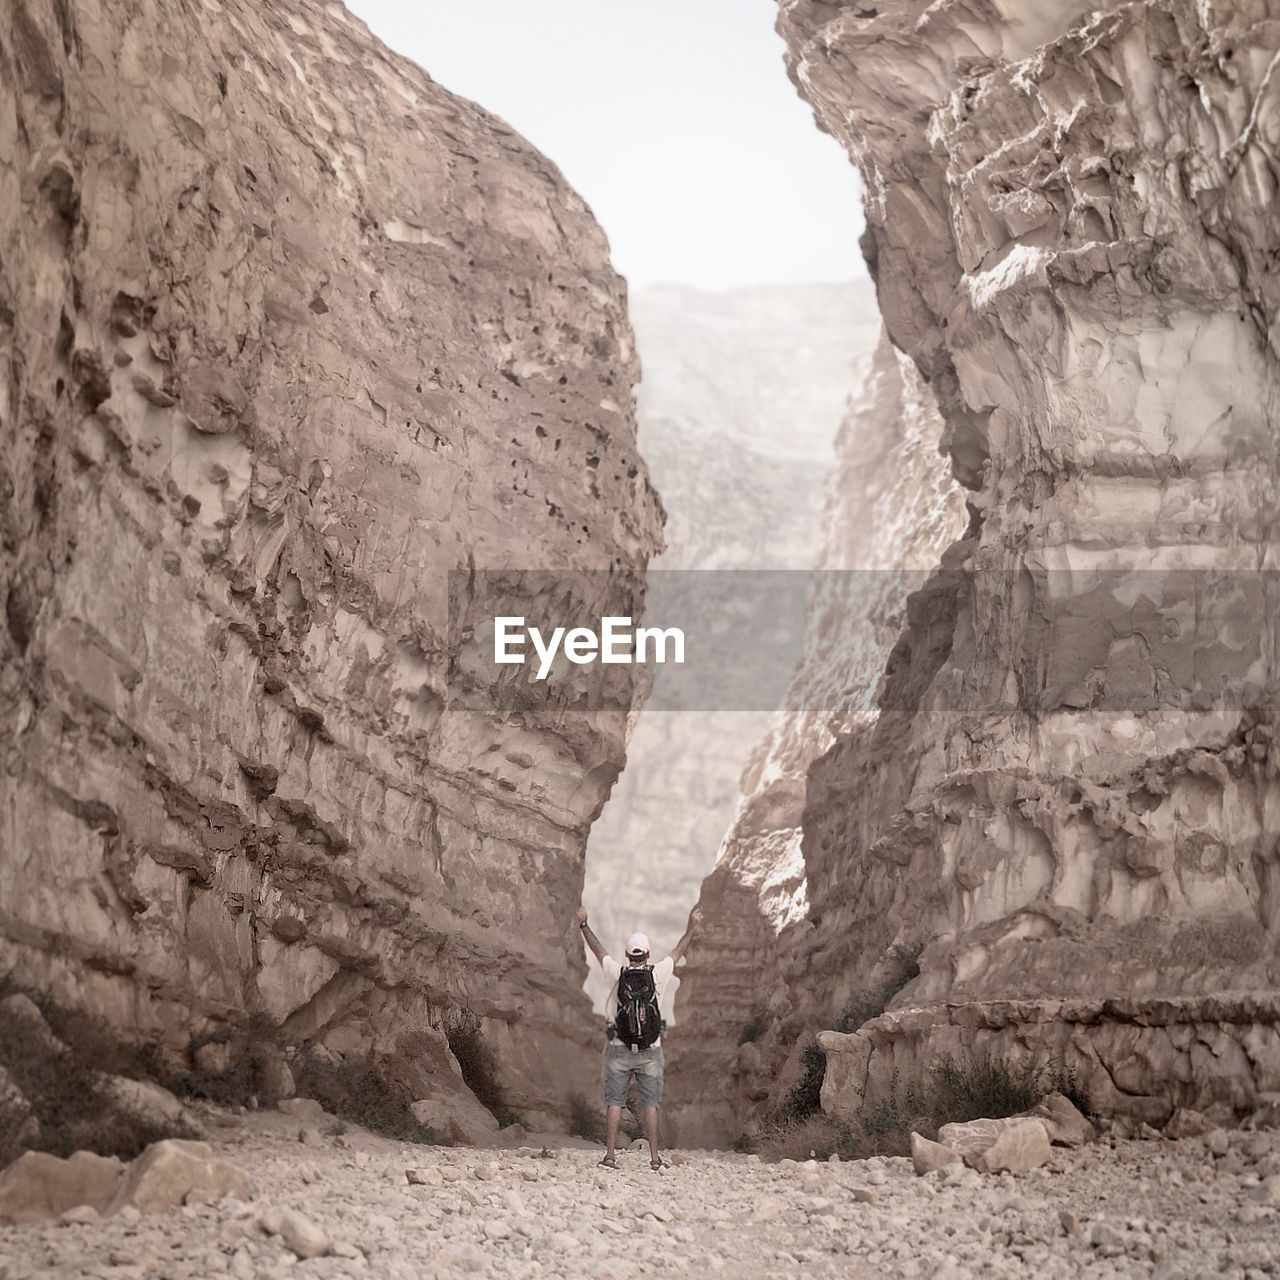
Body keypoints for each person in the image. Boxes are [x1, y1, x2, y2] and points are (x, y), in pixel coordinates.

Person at [576, 903, 703, 1170]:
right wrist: (692, 927)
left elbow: (598, 951)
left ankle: (610, 1156)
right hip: (651, 1050)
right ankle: (655, 1159)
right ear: (647, 954)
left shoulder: (617, 973)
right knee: (651, 1104)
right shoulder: (658, 974)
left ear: (626, 954)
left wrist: (584, 924)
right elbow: (679, 950)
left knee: (614, 1102)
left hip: (618, 1048)